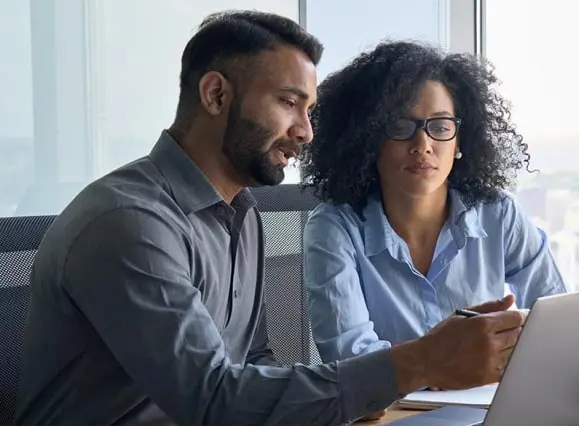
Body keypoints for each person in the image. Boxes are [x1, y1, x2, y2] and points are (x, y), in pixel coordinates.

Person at [14, 11, 526, 426]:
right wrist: (420, 362)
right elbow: (211, 400)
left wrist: (348, 405)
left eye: (309, 110)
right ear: (216, 95)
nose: (305, 132)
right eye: (288, 103)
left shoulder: (243, 214)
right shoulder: (130, 223)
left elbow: (253, 363)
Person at [300, 41, 567, 370]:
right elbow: (352, 362)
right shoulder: (334, 228)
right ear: (368, 140)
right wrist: (447, 364)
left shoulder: (498, 213)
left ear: (459, 142)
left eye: (440, 127)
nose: (422, 145)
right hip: (390, 417)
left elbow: (556, 318)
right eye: (400, 127)